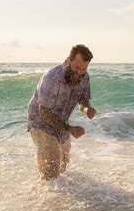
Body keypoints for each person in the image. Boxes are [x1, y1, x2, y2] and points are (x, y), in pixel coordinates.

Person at [27, 44, 96, 180]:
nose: (79, 73)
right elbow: (43, 112)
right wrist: (70, 128)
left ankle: (60, 198)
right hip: (40, 122)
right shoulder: (52, 77)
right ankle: (43, 196)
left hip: (61, 124)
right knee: (52, 172)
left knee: (63, 168)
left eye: (83, 69)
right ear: (68, 60)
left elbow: (83, 102)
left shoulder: (85, 78)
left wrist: (87, 109)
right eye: (77, 68)